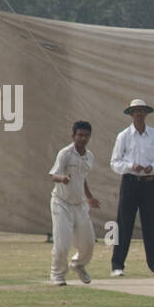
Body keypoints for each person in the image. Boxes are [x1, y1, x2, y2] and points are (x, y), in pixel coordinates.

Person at [109, 98, 154, 277]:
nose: (139, 114)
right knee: (124, 224)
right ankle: (117, 265)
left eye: (142, 111)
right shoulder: (124, 136)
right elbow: (115, 162)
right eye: (136, 111)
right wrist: (130, 166)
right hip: (130, 182)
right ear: (131, 114)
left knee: (151, 224)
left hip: (148, 182)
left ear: (146, 113)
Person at [48, 121, 100, 285]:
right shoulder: (65, 153)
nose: (83, 138)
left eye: (86, 135)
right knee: (62, 243)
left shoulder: (89, 156)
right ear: (73, 136)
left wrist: (90, 197)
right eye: (80, 135)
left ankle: (78, 265)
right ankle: (57, 274)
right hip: (61, 203)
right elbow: (53, 175)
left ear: (89, 136)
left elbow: (82, 179)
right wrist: (63, 179)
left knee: (89, 244)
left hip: (80, 205)